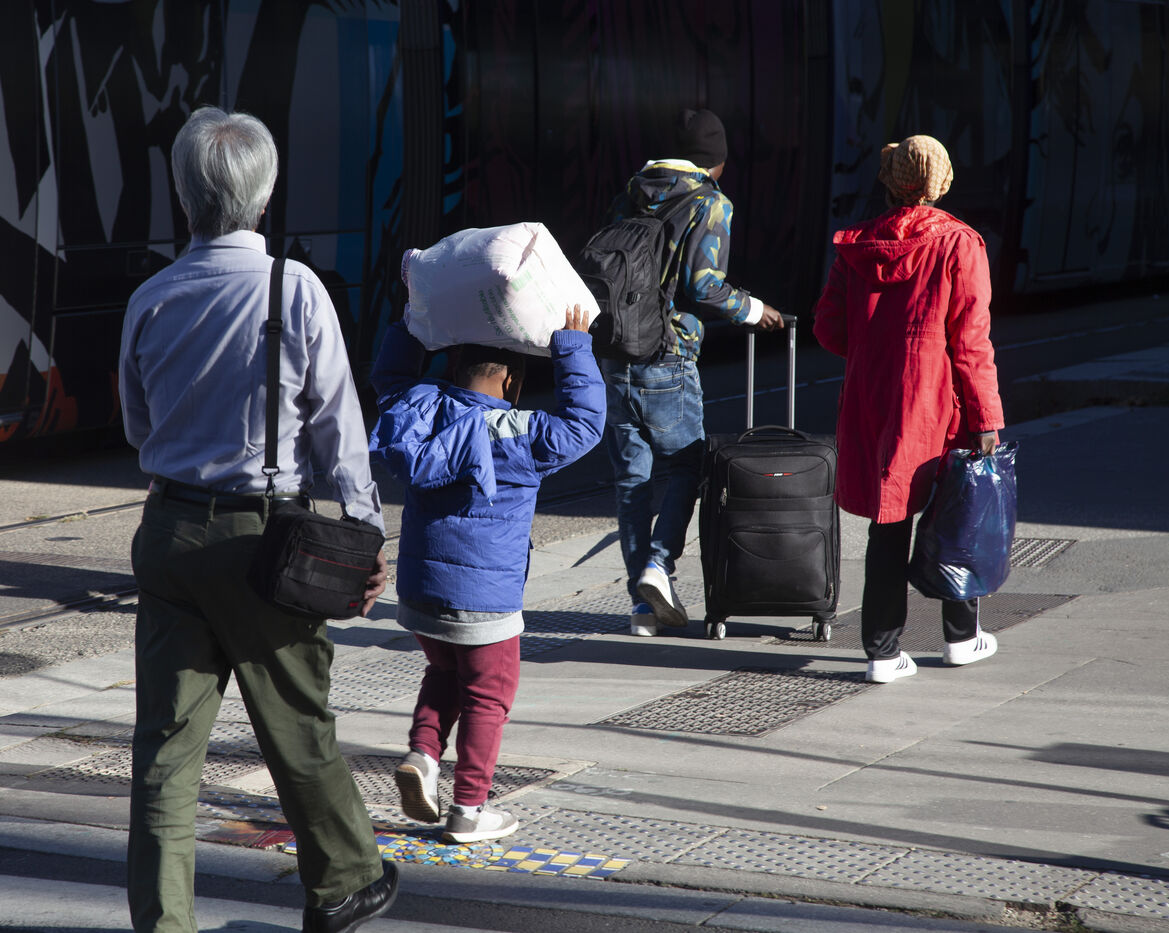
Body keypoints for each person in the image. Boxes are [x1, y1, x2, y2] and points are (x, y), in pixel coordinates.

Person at [119, 106, 398, 933]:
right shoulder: (296, 288)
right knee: (295, 723)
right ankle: (342, 881)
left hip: (170, 533)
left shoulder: (150, 297)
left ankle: (163, 923)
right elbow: (339, 426)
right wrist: (365, 533)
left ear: (183, 196)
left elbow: (137, 425)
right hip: (265, 544)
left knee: (165, 752)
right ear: (266, 196)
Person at [369, 305, 604, 843]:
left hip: (421, 592)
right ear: (512, 380)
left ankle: (423, 756)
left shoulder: (419, 408)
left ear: (453, 367)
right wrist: (573, 348)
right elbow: (585, 423)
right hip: (484, 598)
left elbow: (389, 377)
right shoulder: (523, 432)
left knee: (445, 673)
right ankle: (469, 810)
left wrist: (411, 321)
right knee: (487, 697)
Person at [812, 134, 1005, 684]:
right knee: (958, 513)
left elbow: (828, 328)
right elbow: (971, 342)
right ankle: (960, 637)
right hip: (938, 399)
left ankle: (882, 651)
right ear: (940, 182)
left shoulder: (857, 245)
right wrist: (986, 418)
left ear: (892, 180)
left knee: (889, 517)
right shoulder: (959, 243)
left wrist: (876, 349)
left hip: (872, 397)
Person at [601, 108, 786, 637]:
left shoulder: (631, 193)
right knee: (689, 467)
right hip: (668, 354)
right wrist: (754, 309)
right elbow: (704, 285)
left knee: (633, 482)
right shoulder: (709, 201)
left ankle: (642, 609)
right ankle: (659, 565)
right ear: (715, 162)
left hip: (615, 355)